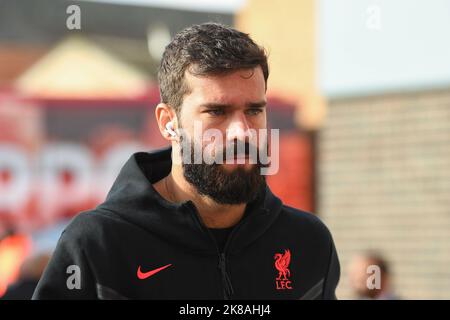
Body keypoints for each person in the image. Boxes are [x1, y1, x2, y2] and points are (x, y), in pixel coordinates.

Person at [32, 23, 340, 300]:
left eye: (254, 110)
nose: (241, 132)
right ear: (168, 122)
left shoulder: (307, 243)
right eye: (216, 112)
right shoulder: (98, 245)